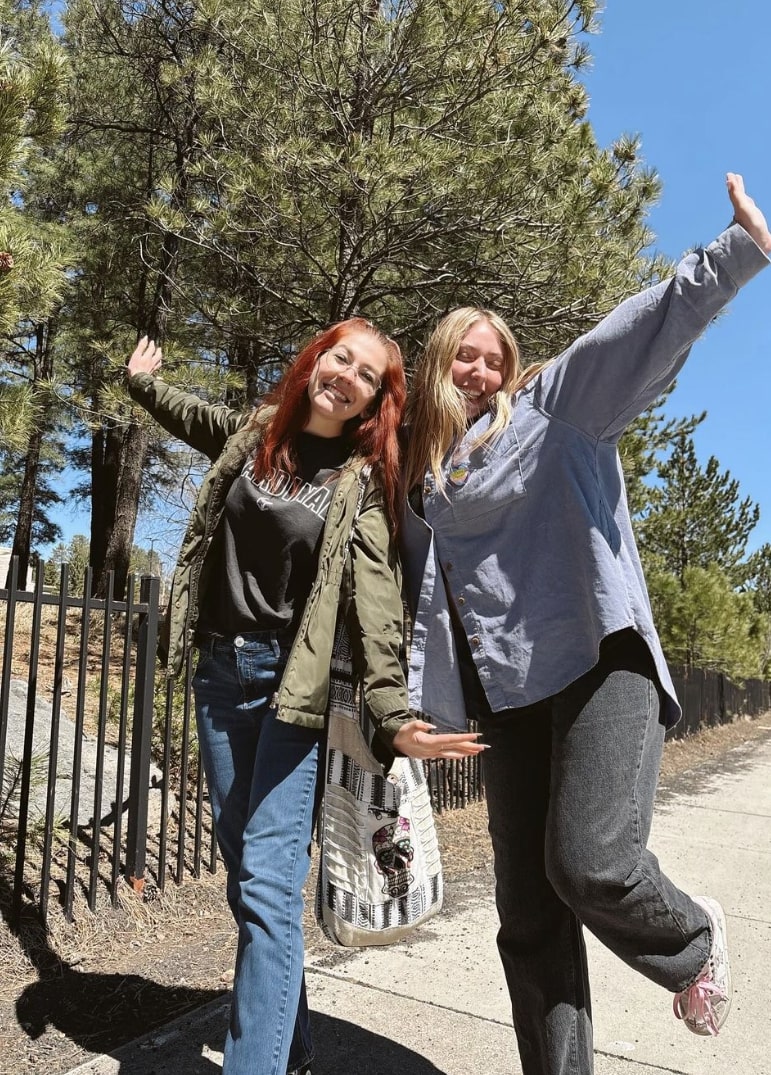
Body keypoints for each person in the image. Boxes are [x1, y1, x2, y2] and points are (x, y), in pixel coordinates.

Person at [400, 173, 771, 1075]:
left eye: (494, 356)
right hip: (507, 701)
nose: (481, 370)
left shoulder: (553, 407)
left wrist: (737, 252)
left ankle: (687, 935)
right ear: (437, 366)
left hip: (598, 662)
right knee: (526, 914)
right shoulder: (418, 485)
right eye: (464, 357)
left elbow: (633, 331)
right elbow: (395, 594)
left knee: (591, 860)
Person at [126, 317, 483, 1075]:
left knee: (265, 885)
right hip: (218, 678)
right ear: (317, 359)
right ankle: (292, 1052)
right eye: (339, 357)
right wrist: (142, 384)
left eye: (366, 376)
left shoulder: (359, 483)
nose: (345, 376)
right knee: (246, 875)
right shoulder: (258, 432)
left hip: (289, 695)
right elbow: (193, 417)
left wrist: (392, 717)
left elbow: (378, 605)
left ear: (372, 403)